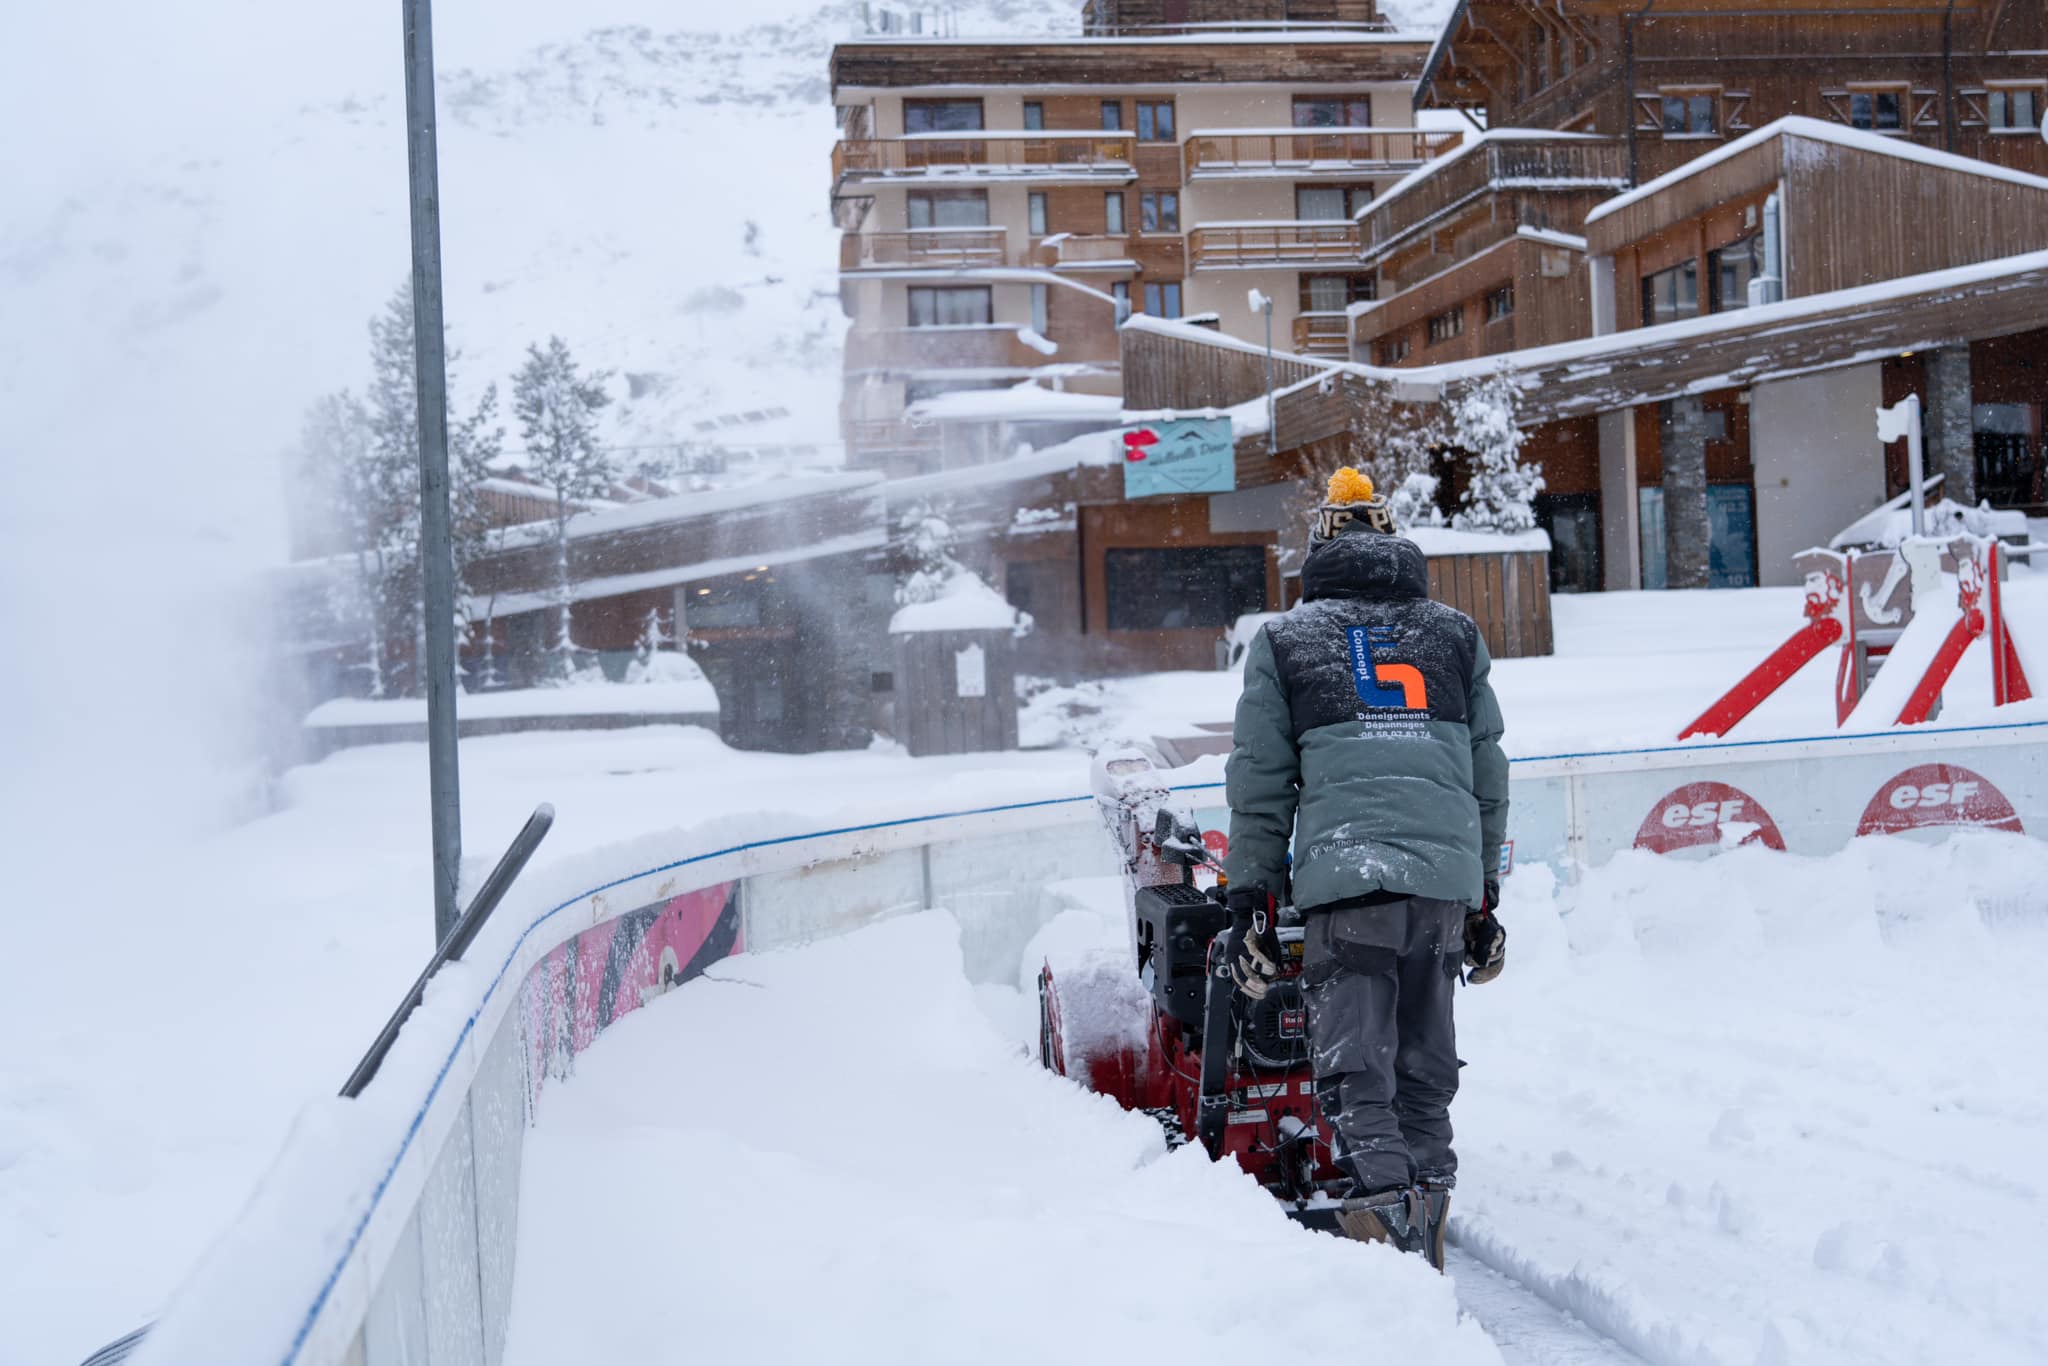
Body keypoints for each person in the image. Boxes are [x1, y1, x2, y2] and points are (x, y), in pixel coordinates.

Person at [1222, 467, 1509, 1267]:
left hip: (1349, 890)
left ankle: (1391, 1249)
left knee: (1358, 1076)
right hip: (1442, 894)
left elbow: (1260, 786)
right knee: (1425, 1069)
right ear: (1391, 542)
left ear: (1320, 549)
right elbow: (1489, 776)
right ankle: (1429, 1224)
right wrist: (1484, 896)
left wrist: (1250, 897)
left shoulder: (1286, 641)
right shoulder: (1454, 634)